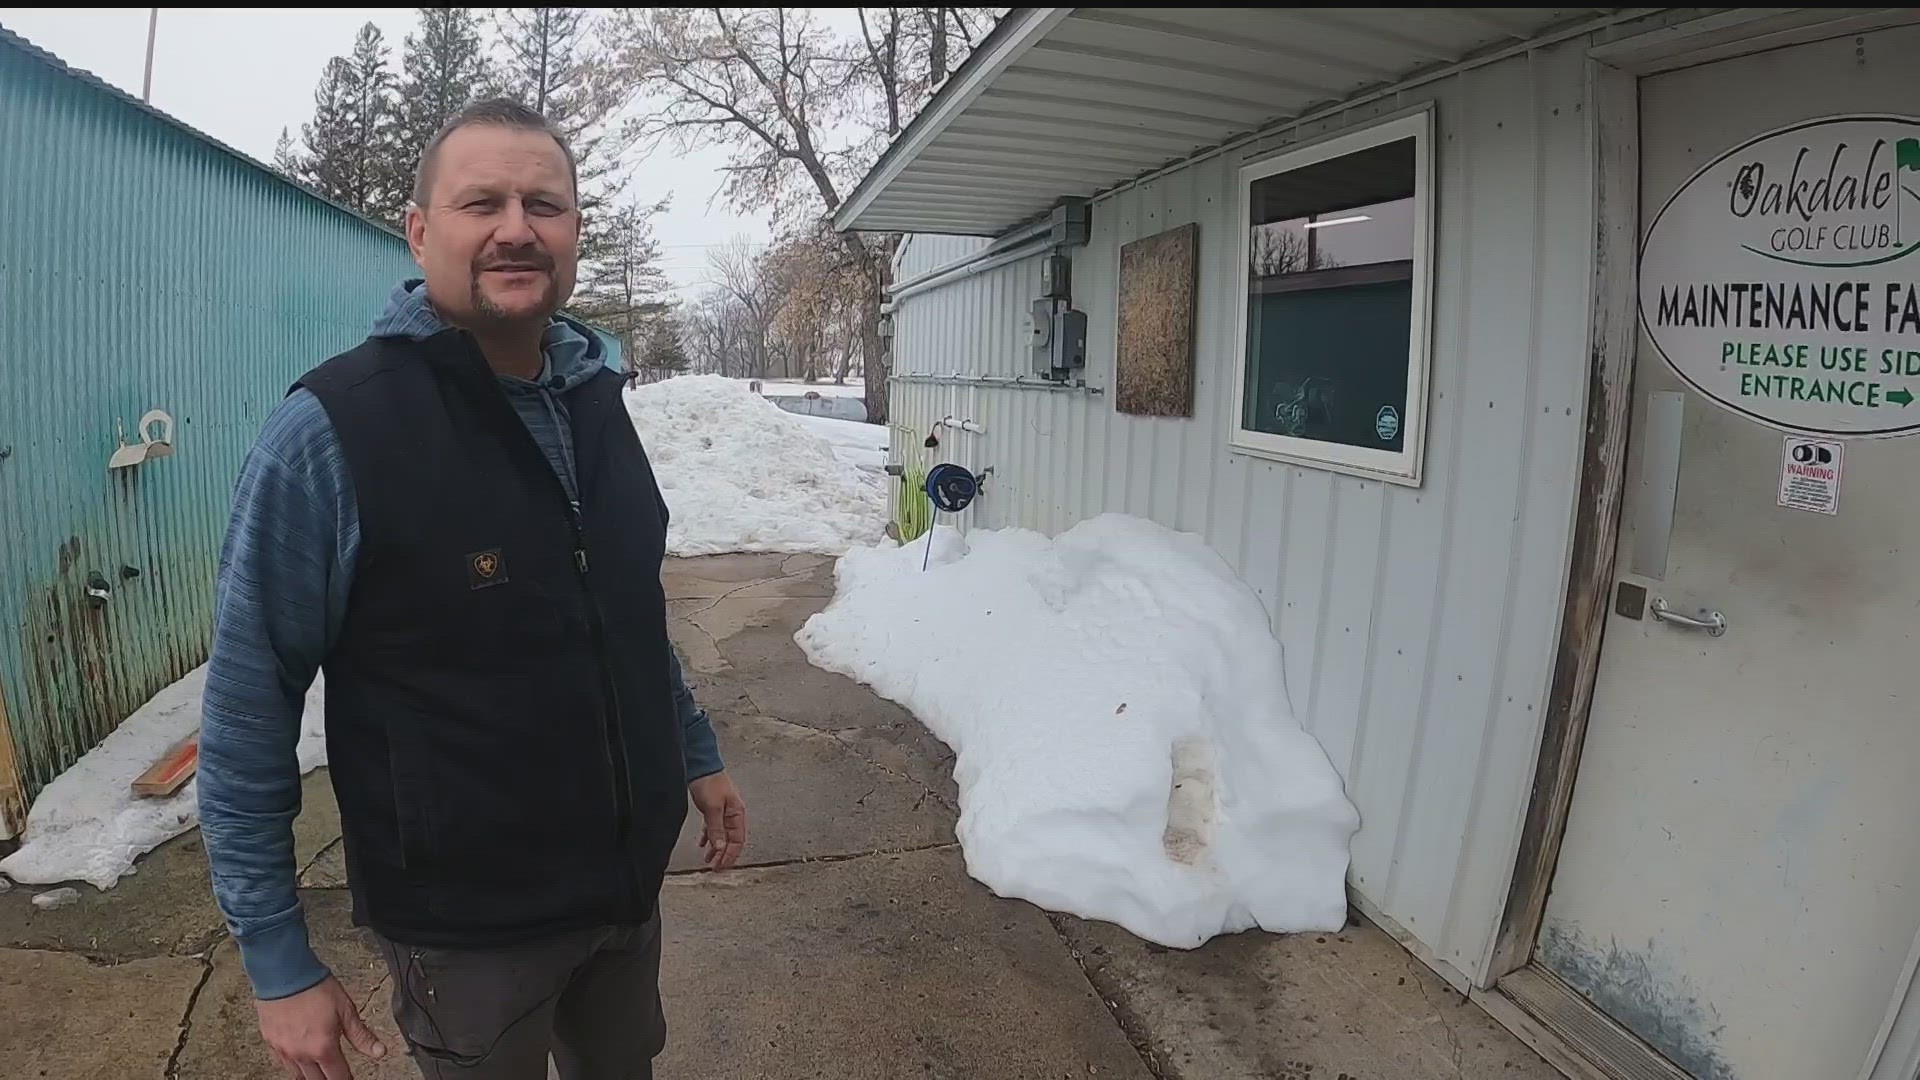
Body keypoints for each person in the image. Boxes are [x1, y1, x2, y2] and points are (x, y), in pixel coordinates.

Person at [198, 98, 748, 1080]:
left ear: (575, 232)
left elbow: (621, 607)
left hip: (624, 892)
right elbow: (247, 707)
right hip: (468, 932)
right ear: (420, 232)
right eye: (480, 201)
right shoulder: (334, 434)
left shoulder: (594, 401)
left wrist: (695, 752)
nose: (516, 227)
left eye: (545, 203)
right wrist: (277, 960)